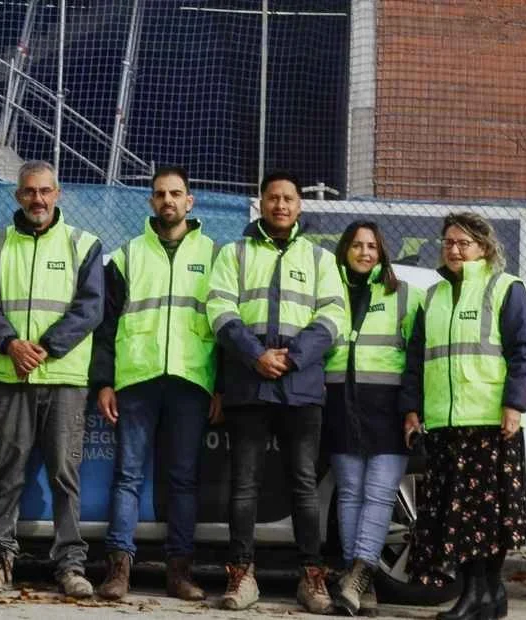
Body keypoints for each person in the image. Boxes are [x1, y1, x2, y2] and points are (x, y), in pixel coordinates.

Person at [206, 170, 346, 614]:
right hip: (249, 385)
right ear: (261, 203)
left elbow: (334, 316)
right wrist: (255, 356)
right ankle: (242, 575)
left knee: (303, 485)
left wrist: (292, 357)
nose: (280, 205)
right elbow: (219, 309)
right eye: (272, 198)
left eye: (288, 199)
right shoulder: (235, 253)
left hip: (300, 387)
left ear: (299, 206)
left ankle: (312, 577)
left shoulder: (322, 259)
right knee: (243, 485)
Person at [0, 160, 103, 599]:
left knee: (66, 474)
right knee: (8, 473)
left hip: (62, 377)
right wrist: (10, 344)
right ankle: (0, 560)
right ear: (17, 195)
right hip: (9, 376)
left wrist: (43, 346)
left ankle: (70, 565)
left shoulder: (84, 245)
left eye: (45, 191)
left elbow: (90, 307)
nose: (38, 199)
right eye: (29, 192)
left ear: (57, 194)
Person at [90, 166, 222, 601]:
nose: (168, 200)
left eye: (176, 193)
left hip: (190, 380)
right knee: (127, 476)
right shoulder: (128, 255)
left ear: (191, 201)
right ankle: (118, 571)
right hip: (138, 378)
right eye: (160, 194)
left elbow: (224, 324)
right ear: (151, 202)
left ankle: (180, 572)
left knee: (183, 479)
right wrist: (105, 382)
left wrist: (218, 384)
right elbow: (106, 324)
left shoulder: (216, 255)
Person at [401, 212, 526, 620]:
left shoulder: (505, 289)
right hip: (446, 425)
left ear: (484, 247)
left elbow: (524, 352)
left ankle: (480, 595)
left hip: (490, 423)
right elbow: (416, 360)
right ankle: (487, 597)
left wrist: (514, 405)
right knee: (455, 515)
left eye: (463, 243)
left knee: (486, 516)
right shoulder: (434, 296)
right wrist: (412, 409)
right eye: (448, 242)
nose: (454, 249)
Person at [322, 221, 423, 616]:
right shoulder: (329, 292)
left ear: (382, 253)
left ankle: (358, 575)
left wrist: (413, 408)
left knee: (379, 494)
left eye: (372, 247)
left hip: (388, 407)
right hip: (340, 404)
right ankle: (359, 586)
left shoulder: (405, 296)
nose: (365, 253)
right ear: (345, 250)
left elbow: (416, 359)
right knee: (349, 494)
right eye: (357, 246)